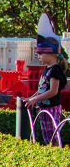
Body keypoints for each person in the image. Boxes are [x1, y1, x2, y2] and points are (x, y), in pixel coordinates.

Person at [25, 14, 68, 146]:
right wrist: (32, 97)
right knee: (47, 137)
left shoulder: (55, 70)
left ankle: (54, 156)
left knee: (52, 138)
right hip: (45, 106)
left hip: (52, 107)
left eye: (41, 54)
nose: (39, 57)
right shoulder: (47, 68)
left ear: (50, 53)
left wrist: (36, 99)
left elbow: (53, 91)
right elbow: (42, 89)